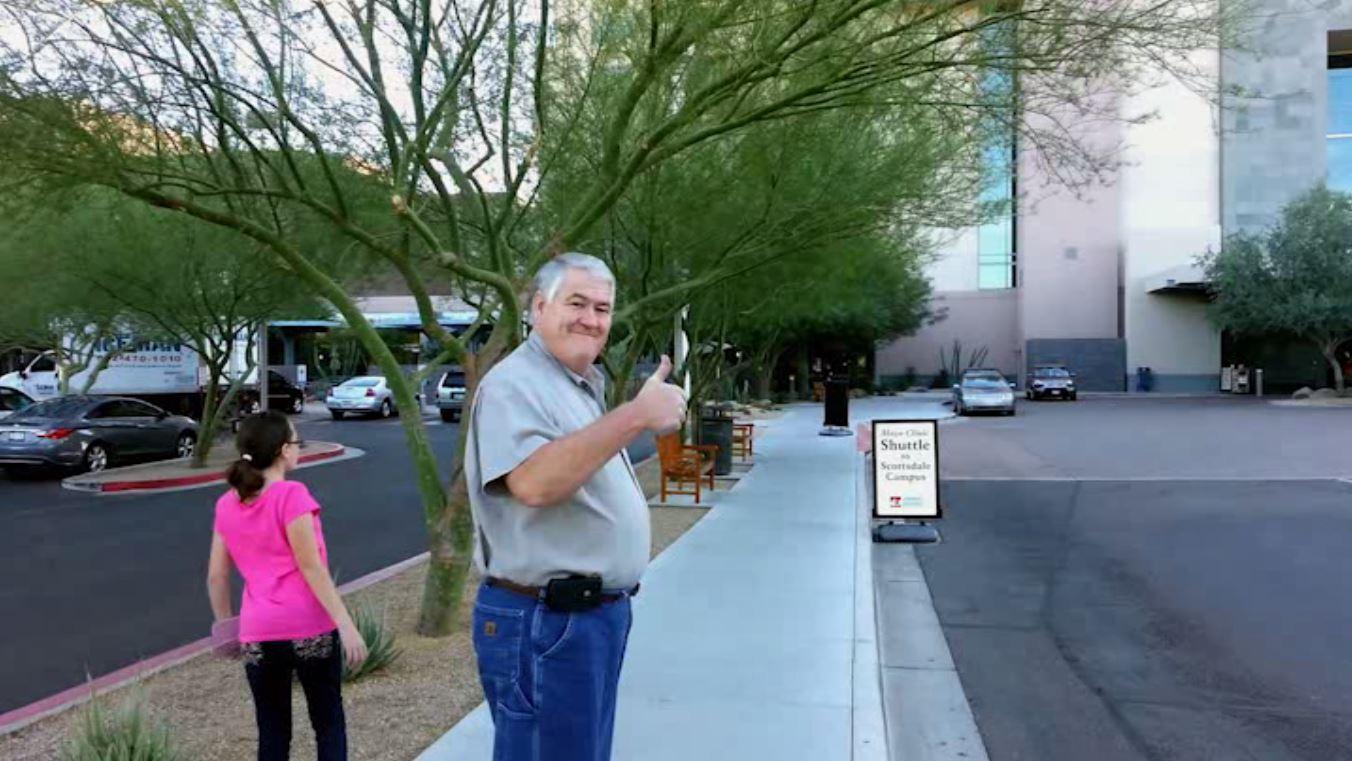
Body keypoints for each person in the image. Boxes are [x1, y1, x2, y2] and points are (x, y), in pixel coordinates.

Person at [466, 252, 687, 761]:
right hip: (547, 621)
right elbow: (535, 483)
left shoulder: (573, 384)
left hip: (584, 620)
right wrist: (636, 415)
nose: (591, 319)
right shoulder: (514, 383)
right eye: (577, 303)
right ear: (539, 307)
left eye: (603, 309)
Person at [207, 411, 368, 761]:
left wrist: (226, 626)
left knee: (272, 729)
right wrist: (346, 623)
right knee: (327, 722)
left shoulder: (226, 504)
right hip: (309, 626)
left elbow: (217, 576)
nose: (299, 449)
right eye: (297, 442)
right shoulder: (291, 495)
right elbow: (310, 566)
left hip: (258, 631)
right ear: (283, 450)